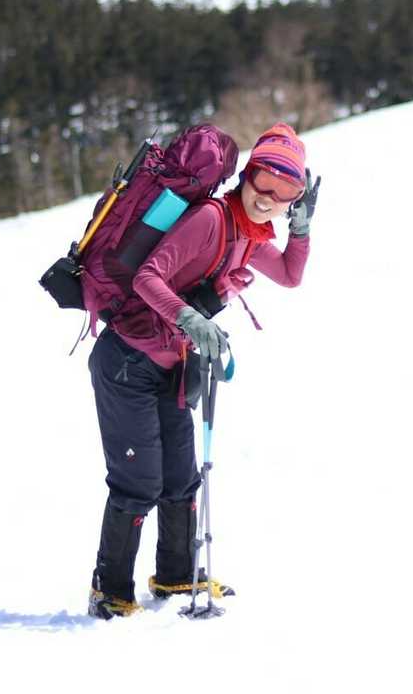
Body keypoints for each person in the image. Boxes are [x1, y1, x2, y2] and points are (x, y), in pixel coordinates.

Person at [86, 122, 321, 619]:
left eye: (285, 191)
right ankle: (109, 592)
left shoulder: (250, 234)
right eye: (264, 180)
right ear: (248, 175)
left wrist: (300, 230)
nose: (269, 198)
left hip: (171, 364)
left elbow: (290, 275)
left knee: (180, 477)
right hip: (127, 362)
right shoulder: (213, 219)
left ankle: (174, 576)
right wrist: (190, 319)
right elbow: (148, 277)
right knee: (138, 481)